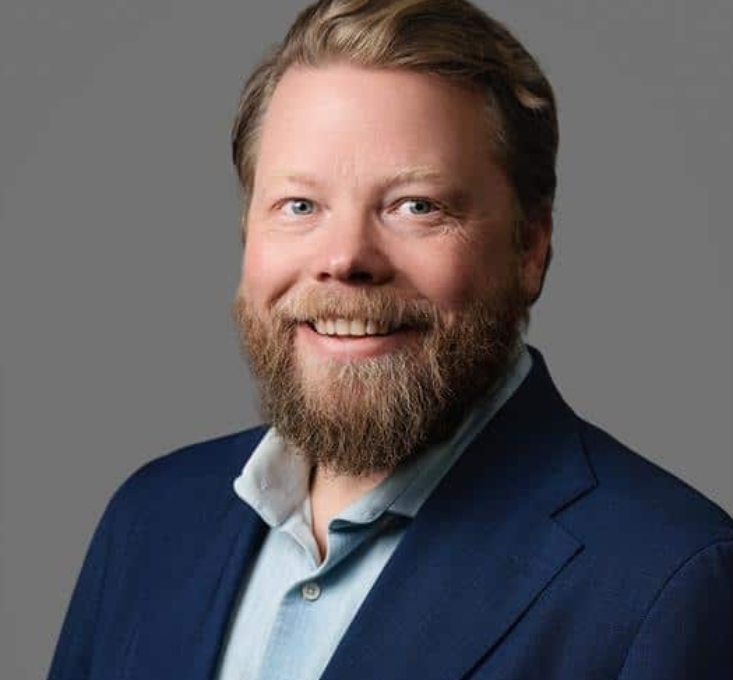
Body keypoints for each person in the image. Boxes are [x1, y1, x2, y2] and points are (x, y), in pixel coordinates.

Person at [47, 1, 733, 679]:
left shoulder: (669, 581)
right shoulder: (149, 519)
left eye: (416, 206)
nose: (345, 258)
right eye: (299, 205)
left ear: (530, 247)